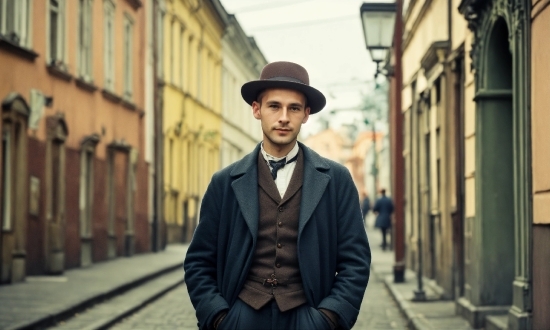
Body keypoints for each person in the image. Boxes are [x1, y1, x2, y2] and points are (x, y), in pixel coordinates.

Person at [183, 61, 371, 330]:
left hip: (308, 316)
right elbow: (199, 261)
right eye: (274, 106)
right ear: (257, 110)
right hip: (241, 317)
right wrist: (219, 318)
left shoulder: (336, 180)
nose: (284, 117)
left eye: (294, 108)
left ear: (306, 114)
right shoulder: (224, 183)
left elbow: (356, 261)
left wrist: (329, 318)